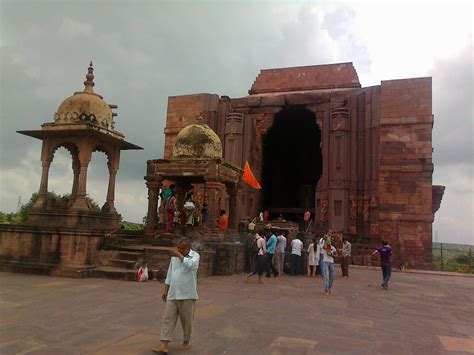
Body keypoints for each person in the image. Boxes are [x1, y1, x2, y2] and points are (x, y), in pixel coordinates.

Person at [153, 238, 200, 354]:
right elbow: (170, 274)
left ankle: (186, 341)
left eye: (181, 248)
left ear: (188, 248)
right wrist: (165, 290)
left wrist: (178, 254)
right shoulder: (174, 258)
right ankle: (164, 344)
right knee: (168, 318)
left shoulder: (195, 256)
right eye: (178, 248)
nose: (178, 250)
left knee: (187, 321)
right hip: (173, 292)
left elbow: (190, 265)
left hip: (187, 294)